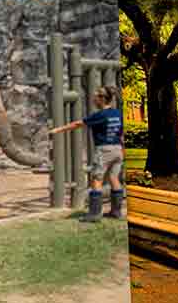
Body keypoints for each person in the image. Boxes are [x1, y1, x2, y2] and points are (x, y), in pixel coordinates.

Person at [52, 84, 125, 222]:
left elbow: (78, 124)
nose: (93, 100)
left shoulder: (100, 115)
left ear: (102, 99)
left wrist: (58, 130)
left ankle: (94, 214)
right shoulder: (118, 114)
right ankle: (116, 212)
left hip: (104, 150)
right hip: (117, 150)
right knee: (114, 178)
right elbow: (121, 135)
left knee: (96, 179)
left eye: (95, 97)